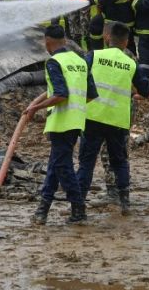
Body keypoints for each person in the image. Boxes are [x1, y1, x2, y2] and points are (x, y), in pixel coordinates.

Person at [24, 24, 98, 225]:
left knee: (62, 166)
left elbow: (60, 94)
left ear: (47, 42)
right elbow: (91, 94)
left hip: (61, 123)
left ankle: (78, 206)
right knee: (55, 165)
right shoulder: (80, 60)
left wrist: (34, 108)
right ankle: (43, 210)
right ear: (64, 40)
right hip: (77, 121)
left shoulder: (53, 62)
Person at [77, 22, 149, 214]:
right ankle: (125, 202)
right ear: (126, 42)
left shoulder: (94, 55)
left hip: (92, 117)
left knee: (86, 162)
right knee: (120, 161)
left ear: (107, 38)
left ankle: (79, 206)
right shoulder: (131, 63)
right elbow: (145, 90)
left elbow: (79, 77)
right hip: (118, 120)